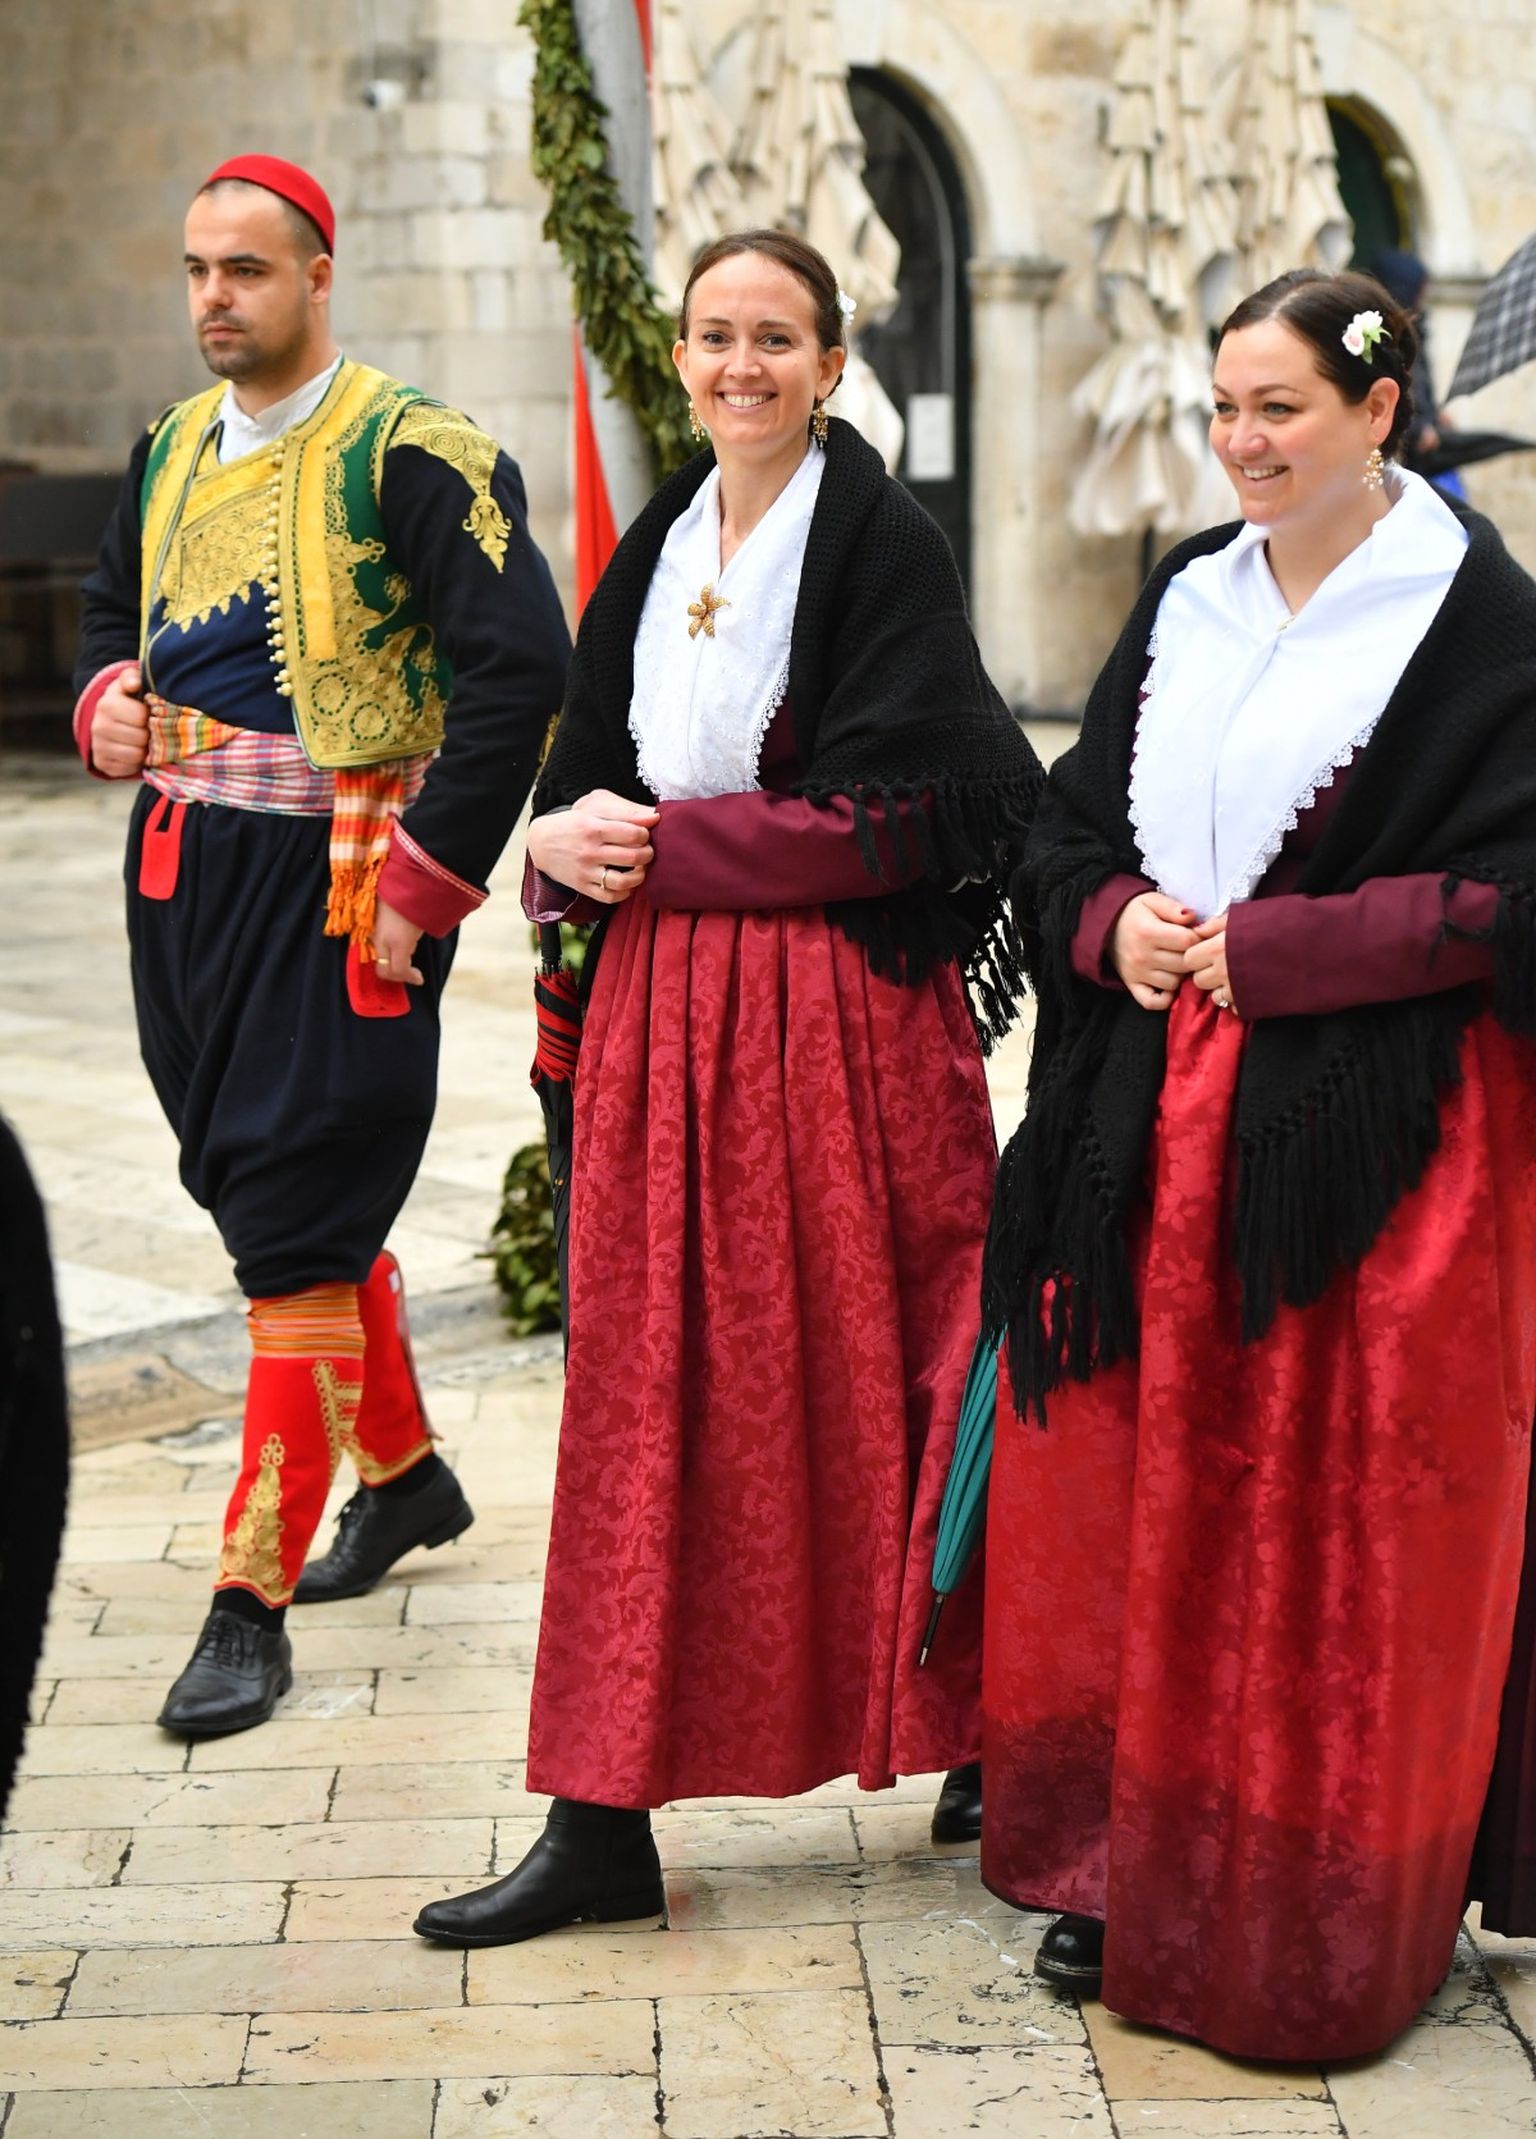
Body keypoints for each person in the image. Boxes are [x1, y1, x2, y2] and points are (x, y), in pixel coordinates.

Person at [413, 229, 1041, 1948]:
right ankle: (600, 1812)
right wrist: (554, 844)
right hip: (665, 1029)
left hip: (846, 1029)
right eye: (714, 336)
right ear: (680, 358)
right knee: (649, 1391)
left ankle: (993, 1724)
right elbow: (584, 773)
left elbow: (920, 810)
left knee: (907, 1368)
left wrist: (667, 852)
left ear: (834, 364)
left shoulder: (882, 543)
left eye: (776, 338)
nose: (741, 365)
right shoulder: (662, 540)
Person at [979, 267, 1536, 2061]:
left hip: (1364, 1159)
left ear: (1379, 414)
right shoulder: (1190, 595)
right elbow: (1067, 823)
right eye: (1224, 407)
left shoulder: (1479, 622)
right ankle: (1138, 1862)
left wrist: (1297, 952)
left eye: (1279, 407)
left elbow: (1515, 894)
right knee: (1154, 1506)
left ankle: (1320, 1901)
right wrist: (1112, 924)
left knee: (1327, 1536)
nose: (1241, 441)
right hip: (1154, 1131)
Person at [73, 155, 570, 1738]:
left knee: (294, 1218)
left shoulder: (415, 451)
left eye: (247, 269)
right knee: (264, 1192)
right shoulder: (167, 447)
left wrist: (431, 877)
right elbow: (109, 614)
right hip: (179, 878)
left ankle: (249, 1600)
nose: (216, 297)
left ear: (316, 277)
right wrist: (106, 703)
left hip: (346, 884)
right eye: (198, 269)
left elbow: (522, 668)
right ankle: (406, 1476)